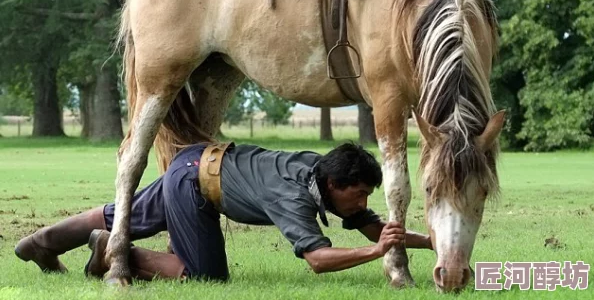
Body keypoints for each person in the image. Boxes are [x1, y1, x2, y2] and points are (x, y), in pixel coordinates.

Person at [15, 142, 432, 282]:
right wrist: (374, 255)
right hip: (197, 184)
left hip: (197, 160)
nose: (362, 203)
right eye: (358, 194)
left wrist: (435, 244)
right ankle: (113, 252)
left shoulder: (319, 167)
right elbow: (317, 261)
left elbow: (375, 227)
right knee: (205, 274)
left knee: (126, 214)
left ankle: (39, 242)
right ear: (333, 186)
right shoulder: (294, 197)